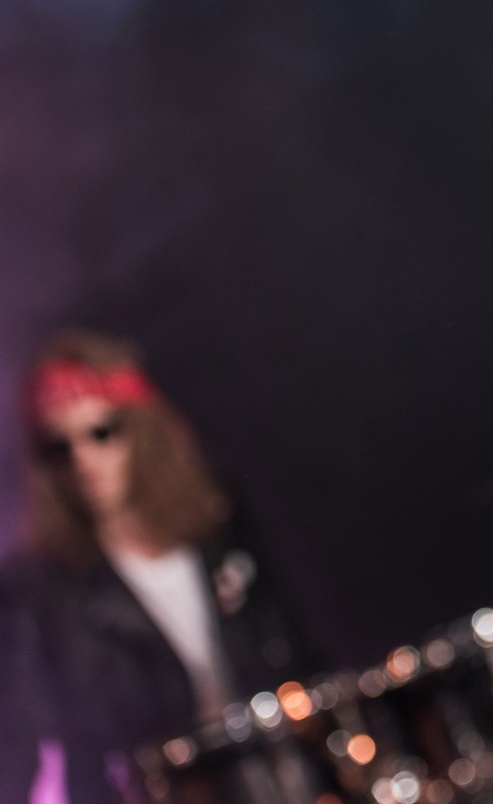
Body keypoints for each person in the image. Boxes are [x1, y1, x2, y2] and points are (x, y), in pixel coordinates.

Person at [0, 329, 312, 804]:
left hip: (285, 775)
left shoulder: (218, 525)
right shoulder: (40, 591)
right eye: (59, 447)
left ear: (139, 428)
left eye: (102, 432)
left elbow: (295, 649)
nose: (84, 460)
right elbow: (18, 738)